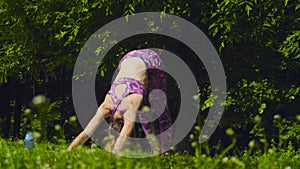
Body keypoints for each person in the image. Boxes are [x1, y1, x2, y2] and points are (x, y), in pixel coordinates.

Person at [67, 49, 172, 154]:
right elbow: (84, 134)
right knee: (145, 108)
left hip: (153, 59)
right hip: (129, 57)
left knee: (159, 106)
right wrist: (68, 151)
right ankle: (159, 151)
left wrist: (112, 158)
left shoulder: (128, 111)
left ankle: (163, 152)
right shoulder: (106, 106)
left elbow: (119, 144)